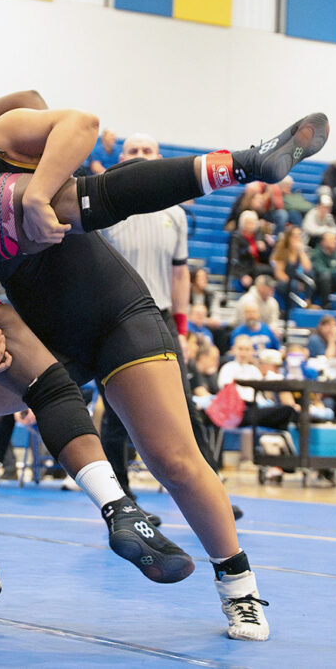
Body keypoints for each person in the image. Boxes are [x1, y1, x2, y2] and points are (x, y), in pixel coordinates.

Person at [0, 86, 324, 639]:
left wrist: (38, 191)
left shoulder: (1, 137)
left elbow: (67, 115)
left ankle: (240, 590)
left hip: (118, 316)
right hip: (47, 337)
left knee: (175, 463)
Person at [98, 130, 220, 483]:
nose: (140, 154)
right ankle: (119, 494)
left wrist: (181, 328)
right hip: (116, 319)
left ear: (159, 158)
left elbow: (179, 275)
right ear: (121, 160)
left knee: (182, 402)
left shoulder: (177, 215)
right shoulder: (106, 210)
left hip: (162, 317)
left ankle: (210, 486)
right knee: (118, 409)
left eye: (147, 149)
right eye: (132, 149)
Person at [217, 335, 297, 432]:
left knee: (285, 414)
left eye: (247, 350)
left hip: (256, 408)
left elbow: (265, 391)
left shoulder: (254, 370)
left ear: (252, 352)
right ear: (233, 350)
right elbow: (227, 393)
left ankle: (276, 443)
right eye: (240, 349)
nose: (243, 353)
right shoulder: (227, 368)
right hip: (238, 412)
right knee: (287, 411)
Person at [229, 210, 273, 290]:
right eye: (248, 223)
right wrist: (242, 275)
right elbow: (234, 259)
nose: (251, 226)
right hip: (245, 270)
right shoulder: (236, 238)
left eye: (253, 223)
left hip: (258, 268)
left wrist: (268, 246)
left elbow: (267, 257)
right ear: (242, 224)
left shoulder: (258, 236)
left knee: (270, 270)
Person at [309, 232, 336, 310]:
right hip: (317, 284)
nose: (335, 242)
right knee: (325, 276)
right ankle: (325, 305)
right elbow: (320, 270)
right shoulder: (316, 254)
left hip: (332, 283)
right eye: (332, 240)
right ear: (323, 242)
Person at [270, 228, 313, 308]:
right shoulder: (282, 250)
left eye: (299, 236)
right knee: (293, 285)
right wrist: (294, 283)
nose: (298, 238)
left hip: (295, 278)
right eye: (296, 236)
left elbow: (308, 268)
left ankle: (308, 302)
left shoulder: (299, 252)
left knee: (309, 276)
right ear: (289, 237)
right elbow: (279, 273)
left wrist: (301, 252)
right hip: (282, 281)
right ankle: (292, 310)